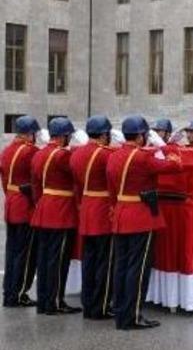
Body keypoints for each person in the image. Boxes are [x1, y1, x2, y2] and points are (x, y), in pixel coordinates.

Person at [108, 115, 183, 330]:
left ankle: (121, 313)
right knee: (138, 269)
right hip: (140, 216)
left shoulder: (114, 155)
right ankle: (133, 315)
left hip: (121, 214)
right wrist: (166, 146)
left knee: (121, 267)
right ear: (141, 136)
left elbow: (112, 190)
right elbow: (176, 165)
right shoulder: (141, 157)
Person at [30, 117, 80, 316]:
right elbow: (79, 171)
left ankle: (44, 300)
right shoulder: (62, 156)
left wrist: (40, 203)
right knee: (58, 260)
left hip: (44, 208)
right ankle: (55, 302)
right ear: (63, 137)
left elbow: (35, 186)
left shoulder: (39, 154)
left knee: (43, 259)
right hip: (61, 211)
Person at [70, 116, 116, 320]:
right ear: (105, 134)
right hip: (103, 211)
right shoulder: (106, 154)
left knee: (89, 260)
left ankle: (88, 304)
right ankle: (101, 306)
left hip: (87, 209)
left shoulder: (77, 154)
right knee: (103, 261)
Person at [1, 116, 40, 308]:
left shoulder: (7, 151)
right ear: (30, 134)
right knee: (25, 253)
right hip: (25, 206)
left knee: (12, 251)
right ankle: (19, 292)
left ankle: (9, 292)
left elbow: (4, 182)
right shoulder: (31, 152)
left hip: (11, 203)